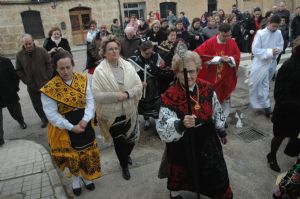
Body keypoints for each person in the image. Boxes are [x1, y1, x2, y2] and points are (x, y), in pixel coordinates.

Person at [156, 44, 232, 199]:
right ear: (176, 72)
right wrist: (180, 124)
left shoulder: (207, 88)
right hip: (182, 143)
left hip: (206, 139)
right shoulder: (168, 96)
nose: (188, 76)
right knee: (181, 171)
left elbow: (217, 110)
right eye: (183, 72)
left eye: (192, 71)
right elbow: (163, 127)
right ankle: (174, 192)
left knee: (215, 173)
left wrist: (221, 130)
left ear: (198, 70)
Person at [40, 50, 101, 196]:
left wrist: (85, 120)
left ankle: (86, 177)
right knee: (72, 155)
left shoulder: (82, 79)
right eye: (62, 68)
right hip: (64, 126)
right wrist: (71, 127)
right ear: (56, 68)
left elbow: (90, 101)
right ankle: (75, 179)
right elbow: (51, 114)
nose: (66, 71)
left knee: (86, 152)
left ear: (73, 65)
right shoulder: (50, 88)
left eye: (68, 67)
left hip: (83, 121)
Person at [92, 35, 142, 180]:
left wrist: (127, 94)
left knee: (132, 139)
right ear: (104, 52)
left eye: (116, 48)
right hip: (112, 114)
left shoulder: (127, 65)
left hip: (129, 110)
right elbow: (97, 95)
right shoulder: (99, 71)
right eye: (110, 49)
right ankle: (124, 165)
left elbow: (138, 86)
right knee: (119, 141)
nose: (114, 51)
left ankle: (126, 156)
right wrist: (115, 96)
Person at [195, 23, 240, 126]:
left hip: (227, 77)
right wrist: (218, 59)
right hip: (212, 78)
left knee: (226, 99)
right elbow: (198, 55)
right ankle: (214, 119)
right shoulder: (210, 43)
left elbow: (237, 56)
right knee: (213, 100)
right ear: (219, 33)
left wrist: (230, 59)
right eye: (225, 36)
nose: (227, 38)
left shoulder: (231, 42)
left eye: (229, 35)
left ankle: (222, 120)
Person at [266, 36, 300, 172]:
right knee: (280, 135)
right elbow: (279, 94)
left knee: (294, 134)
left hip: (297, 111)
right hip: (286, 111)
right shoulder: (288, 67)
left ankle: (292, 152)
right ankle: (271, 156)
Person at [249, 15, 284, 117]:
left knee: (265, 84)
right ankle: (267, 107)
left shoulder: (278, 33)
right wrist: (269, 52)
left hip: (272, 62)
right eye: (273, 26)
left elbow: (281, 45)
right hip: (260, 63)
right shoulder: (260, 34)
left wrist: (277, 51)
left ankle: (263, 103)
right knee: (262, 84)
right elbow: (255, 50)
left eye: (277, 27)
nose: (275, 29)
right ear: (268, 23)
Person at [16, 34, 52, 128]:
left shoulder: (42, 51)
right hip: (31, 85)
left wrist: (47, 76)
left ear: (33, 41)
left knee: (49, 101)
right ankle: (44, 119)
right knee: (37, 104)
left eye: (29, 43)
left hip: (45, 82)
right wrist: (26, 80)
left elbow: (49, 64)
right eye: (26, 44)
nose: (28, 45)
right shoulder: (19, 55)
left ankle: (52, 117)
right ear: (23, 44)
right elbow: (19, 70)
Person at [128, 41, 162, 130]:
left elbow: (160, 69)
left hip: (154, 86)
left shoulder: (155, 56)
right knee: (144, 105)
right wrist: (139, 82)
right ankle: (146, 120)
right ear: (141, 51)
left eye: (151, 52)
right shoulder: (134, 60)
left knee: (155, 105)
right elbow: (130, 77)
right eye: (147, 53)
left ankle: (157, 122)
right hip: (143, 87)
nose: (149, 55)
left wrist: (159, 68)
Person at [0, 56, 27, 146]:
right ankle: (0, 138)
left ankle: (21, 121)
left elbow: (14, 75)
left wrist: (15, 87)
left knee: (15, 110)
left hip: (8, 91)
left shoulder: (5, 61)